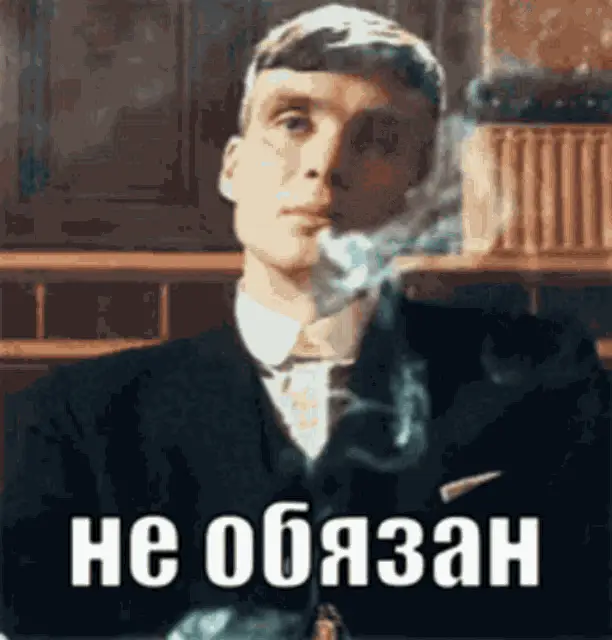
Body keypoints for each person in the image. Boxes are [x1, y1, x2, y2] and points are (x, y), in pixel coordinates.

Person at [1, 4, 609, 638]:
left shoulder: (538, 386)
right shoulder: (82, 420)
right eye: (293, 122)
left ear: (418, 185)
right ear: (232, 167)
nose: (327, 162)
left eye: (377, 137)